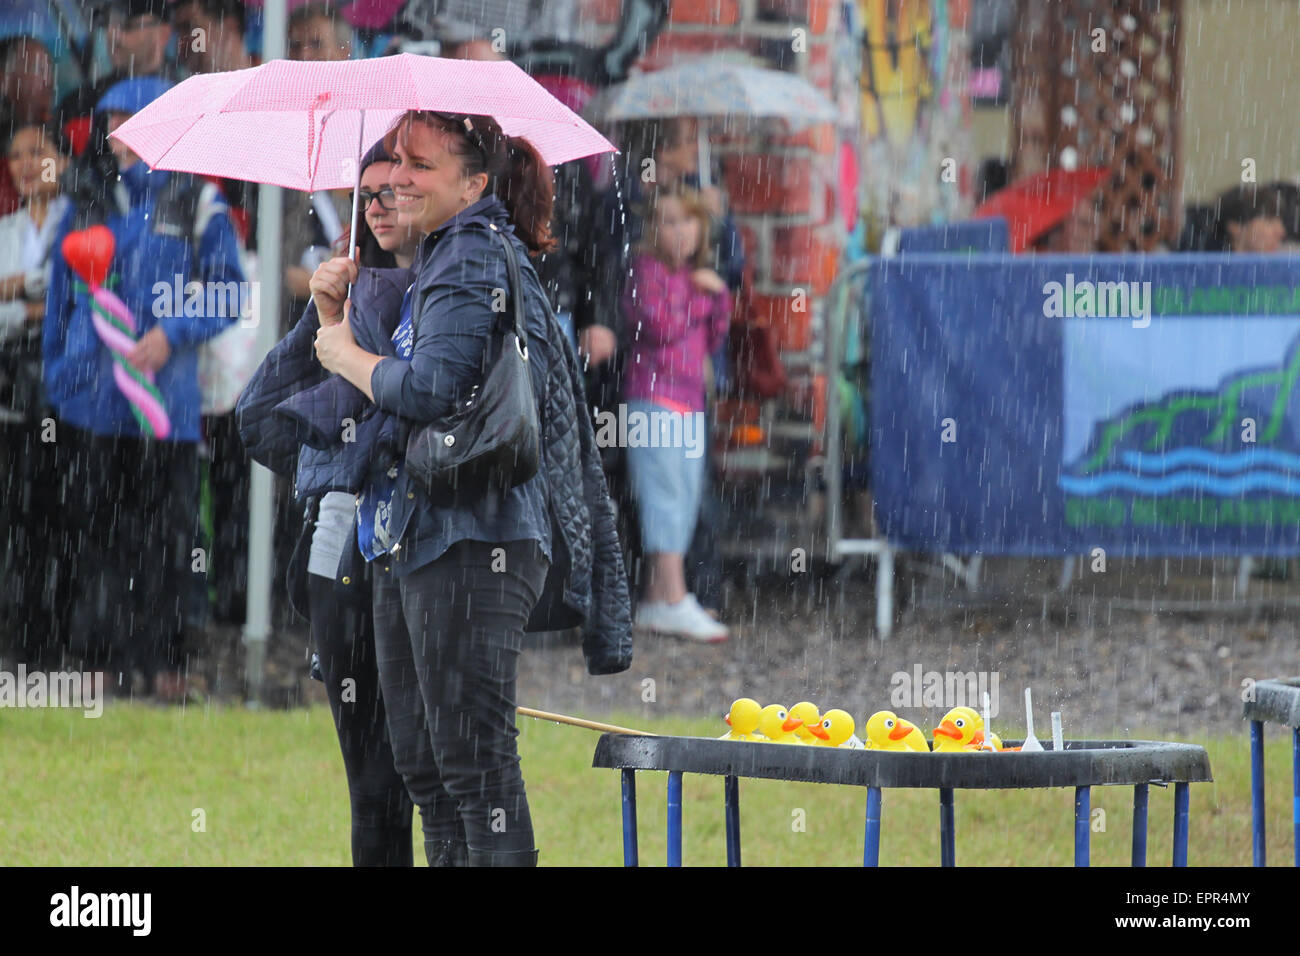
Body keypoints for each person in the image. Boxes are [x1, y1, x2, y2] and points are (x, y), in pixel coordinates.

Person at [310, 109, 632, 865]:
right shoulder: (433, 259)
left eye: (419, 164)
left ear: (474, 183)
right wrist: (334, 314)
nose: (398, 177)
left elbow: (427, 389)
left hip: (475, 537)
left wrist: (343, 352)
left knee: (474, 768)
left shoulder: (471, 254)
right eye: (393, 160)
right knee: (425, 766)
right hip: (413, 534)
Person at [237, 142, 418, 865]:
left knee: (431, 779)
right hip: (339, 558)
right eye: (366, 195)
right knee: (372, 787)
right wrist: (324, 317)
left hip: (423, 561)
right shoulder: (349, 296)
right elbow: (259, 416)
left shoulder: (452, 290)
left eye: (395, 191)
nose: (377, 208)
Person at [43, 76, 244, 698]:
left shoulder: (198, 202)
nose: (118, 134)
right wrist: (59, 369)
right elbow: (60, 294)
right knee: (97, 530)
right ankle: (101, 656)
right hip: (92, 402)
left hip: (167, 405)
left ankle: (165, 663)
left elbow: (232, 291)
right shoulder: (87, 197)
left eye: (133, 119)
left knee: (171, 535)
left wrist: (172, 332)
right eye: (112, 121)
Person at [620, 183, 731, 642]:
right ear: (653, 229)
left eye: (688, 220)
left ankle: (657, 597)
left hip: (689, 401)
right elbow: (658, 325)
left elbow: (716, 336)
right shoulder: (645, 270)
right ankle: (674, 597)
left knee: (684, 497)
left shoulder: (695, 276)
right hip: (653, 397)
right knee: (663, 496)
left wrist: (719, 296)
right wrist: (701, 295)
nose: (680, 231)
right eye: (668, 221)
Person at [0, 121, 69, 660]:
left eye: (38, 152)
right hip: (14, 391)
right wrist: (34, 304)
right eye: (16, 155)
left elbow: (83, 301)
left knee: (61, 512)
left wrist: (17, 289)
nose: (26, 164)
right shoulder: (6, 231)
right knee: (15, 514)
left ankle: (57, 633)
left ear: (62, 163)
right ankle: (18, 632)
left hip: (68, 387)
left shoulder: (84, 222)